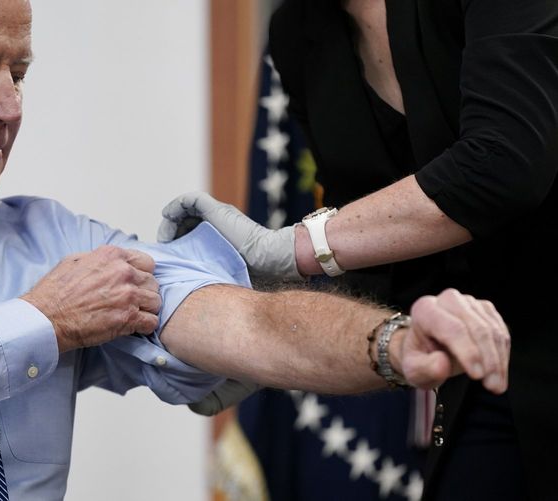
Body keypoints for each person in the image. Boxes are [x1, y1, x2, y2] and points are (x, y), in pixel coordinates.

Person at [0, 0, 509, 499]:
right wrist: (44, 321)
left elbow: (241, 323)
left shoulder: (51, 239)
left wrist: (394, 342)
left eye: (20, 72)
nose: (10, 105)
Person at [159, 0, 558, 499]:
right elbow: (383, 253)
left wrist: (294, 247)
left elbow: (505, 165)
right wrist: (263, 337)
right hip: (486, 358)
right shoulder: (299, 32)